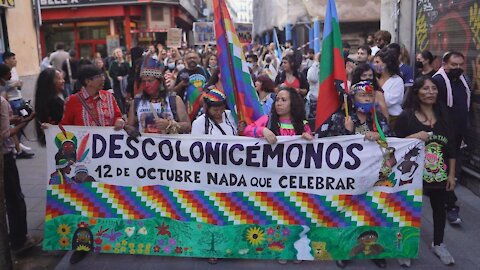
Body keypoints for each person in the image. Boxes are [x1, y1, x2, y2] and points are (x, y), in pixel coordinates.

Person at [318, 81, 392, 269]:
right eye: (362, 96)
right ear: (352, 98)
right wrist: (346, 131)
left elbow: (393, 144)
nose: (367, 99)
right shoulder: (340, 117)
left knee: (373, 213)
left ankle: (374, 250)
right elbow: (324, 143)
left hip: (374, 178)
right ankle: (345, 249)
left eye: (370, 96)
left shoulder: (379, 120)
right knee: (346, 214)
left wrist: (380, 137)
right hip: (346, 179)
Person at [60, 64, 125, 264]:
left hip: (109, 161)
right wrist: (52, 129)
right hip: (84, 164)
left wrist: (120, 121)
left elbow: (118, 116)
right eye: (98, 76)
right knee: (85, 202)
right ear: (88, 81)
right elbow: (65, 128)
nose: (103, 78)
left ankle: (112, 237)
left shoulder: (108, 97)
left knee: (112, 197)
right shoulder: (73, 101)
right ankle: (82, 244)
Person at [395, 76, 456, 266]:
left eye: (434, 89)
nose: (431, 92)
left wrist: (452, 174)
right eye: (426, 89)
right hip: (411, 175)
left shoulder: (445, 115)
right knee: (407, 210)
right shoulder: (406, 116)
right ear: (416, 92)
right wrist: (414, 136)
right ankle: (404, 247)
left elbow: (452, 147)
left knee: (440, 209)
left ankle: (439, 243)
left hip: (439, 173)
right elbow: (395, 145)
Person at [0, 63, 40, 254]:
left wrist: (14, 119)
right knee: (15, 198)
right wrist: (26, 121)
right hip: (5, 156)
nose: (10, 75)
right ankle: (19, 239)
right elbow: (6, 134)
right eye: (8, 72)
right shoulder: (1, 101)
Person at [432, 51, 471, 225]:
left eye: (460, 65)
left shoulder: (464, 81)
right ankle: (450, 205)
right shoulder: (438, 81)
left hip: (458, 134)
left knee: (451, 172)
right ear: (445, 65)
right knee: (445, 170)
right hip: (442, 134)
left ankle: (446, 200)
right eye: (453, 65)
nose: (457, 68)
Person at [127, 56, 190, 135]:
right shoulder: (136, 101)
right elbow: (129, 126)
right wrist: (128, 128)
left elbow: (187, 126)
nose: (146, 85)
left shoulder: (174, 100)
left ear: (160, 82)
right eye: (143, 81)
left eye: (150, 81)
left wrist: (170, 124)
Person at [244, 86, 312, 145]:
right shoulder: (267, 120)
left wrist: (307, 139)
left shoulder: (303, 125)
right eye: (277, 100)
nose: (278, 103)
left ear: (293, 103)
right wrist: (262, 130)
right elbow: (247, 131)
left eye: (283, 100)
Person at [2, 52, 34, 158]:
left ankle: (18, 146)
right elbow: (6, 86)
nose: (15, 60)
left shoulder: (14, 70)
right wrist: (14, 84)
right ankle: (17, 147)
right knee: (15, 123)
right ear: (6, 60)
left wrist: (19, 84)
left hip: (18, 98)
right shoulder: (2, 101)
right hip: (12, 100)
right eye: (13, 58)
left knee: (19, 119)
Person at [173, 51, 210, 121]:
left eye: (194, 58)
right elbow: (175, 90)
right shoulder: (181, 73)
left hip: (202, 107)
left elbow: (210, 85)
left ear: (199, 59)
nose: (192, 60)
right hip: (187, 108)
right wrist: (181, 84)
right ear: (186, 60)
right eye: (190, 58)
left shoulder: (204, 71)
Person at [373, 49, 404, 128]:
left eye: (377, 62)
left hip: (393, 118)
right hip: (375, 117)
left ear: (386, 64)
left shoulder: (397, 80)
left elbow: (388, 101)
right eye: (374, 62)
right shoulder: (375, 79)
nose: (374, 65)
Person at [34, 68, 65, 146]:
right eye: (59, 78)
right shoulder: (56, 102)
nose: (63, 81)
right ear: (51, 83)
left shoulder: (43, 100)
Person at [108, 48, 130, 113]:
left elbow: (128, 72)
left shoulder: (126, 63)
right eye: (117, 53)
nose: (119, 54)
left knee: (124, 98)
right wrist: (116, 77)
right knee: (118, 98)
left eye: (119, 52)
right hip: (117, 83)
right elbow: (111, 73)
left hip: (125, 83)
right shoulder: (113, 63)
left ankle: (126, 112)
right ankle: (121, 112)